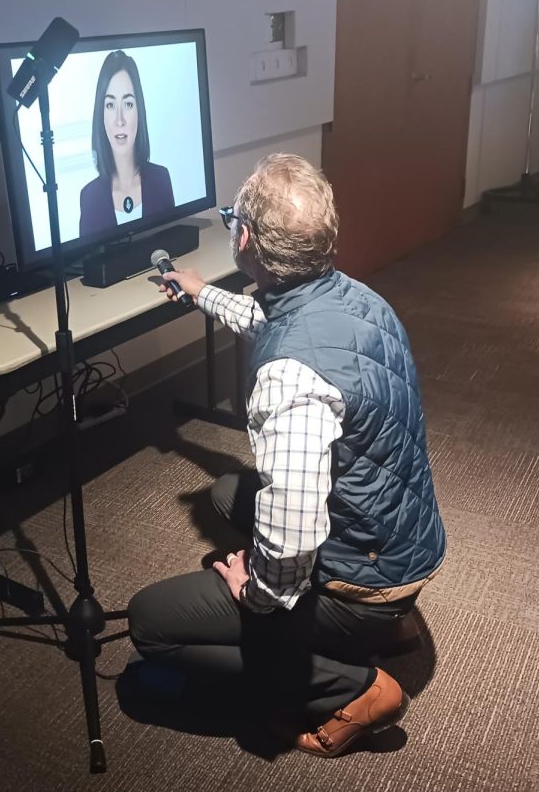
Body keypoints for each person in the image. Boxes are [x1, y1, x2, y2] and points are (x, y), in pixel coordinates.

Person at [126, 153, 446, 758]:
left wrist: (257, 596)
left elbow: (293, 540)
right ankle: (380, 622)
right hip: (405, 542)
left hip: (368, 580)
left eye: (230, 220)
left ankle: (354, 686)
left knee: (152, 623)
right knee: (227, 496)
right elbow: (271, 321)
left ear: (244, 239)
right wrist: (201, 295)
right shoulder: (355, 299)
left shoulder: (290, 377)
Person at [77, 50, 175, 236]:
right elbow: (87, 263)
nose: (119, 119)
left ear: (139, 111)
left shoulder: (160, 179)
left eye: (128, 104)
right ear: (101, 115)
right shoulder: (89, 197)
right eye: (110, 105)